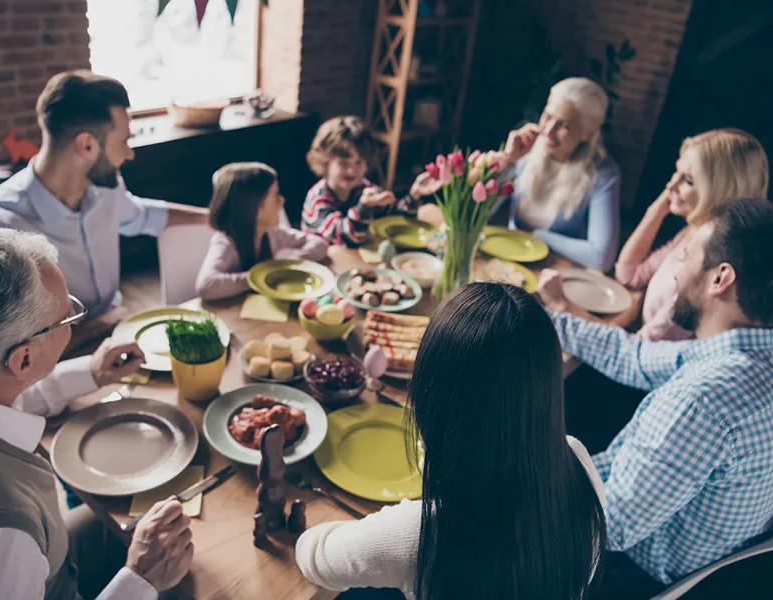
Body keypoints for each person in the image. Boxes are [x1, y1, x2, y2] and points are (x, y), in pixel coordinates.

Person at [0, 229, 194, 599]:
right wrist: (140, 579)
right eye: (66, 317)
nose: (74, 321)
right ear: (23, 358)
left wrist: (91, 372)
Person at [296, 283, 607, 599]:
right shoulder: (578, 459)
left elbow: (314, 557)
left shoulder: (421, 533)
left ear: (432, 395)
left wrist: (391, 519)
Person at [538, 197, 773, 597]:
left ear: (720, 279)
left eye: (686, 256)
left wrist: (519, 459)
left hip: (621, 574)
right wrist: (545, 317)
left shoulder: (706, 401)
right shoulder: (745, 354)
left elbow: (608, 525)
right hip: (675, 550)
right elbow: (636, 357)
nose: (676, 272)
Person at [0, 70, 207, 348]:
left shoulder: (105, 185)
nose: (129, 154)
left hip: (115, 330)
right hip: (50, 362)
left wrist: (215, 218)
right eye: (124, 142)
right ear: (87, 145)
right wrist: (94, 328)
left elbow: (139, 215)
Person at [541, 128, 769, 341]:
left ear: (721, 192)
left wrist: (564, 306)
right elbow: (629, 274)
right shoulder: (690, 235)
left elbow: (638, 352)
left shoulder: (706, 269)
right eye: (676, 172)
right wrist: (658, 209)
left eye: (688, 180)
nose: (672, 184)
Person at [501, 77, 621, 271]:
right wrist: (508, 161)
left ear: (588, 133)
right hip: (509, 261)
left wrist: (536, 234)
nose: (547, 132)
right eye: (547, 116)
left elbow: (601, 257)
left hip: (554, 272)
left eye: (564, 125)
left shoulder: (605, 173)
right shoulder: (526, 145)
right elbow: (475, 213)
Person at [301, 116, 442, 247]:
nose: (352, 171)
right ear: (325, 162)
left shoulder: (364, 187)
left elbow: (399, 217)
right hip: (323, 263)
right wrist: (365, 206)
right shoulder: (317, 200)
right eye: (344, 164)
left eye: (359, 162)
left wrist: (414, 194)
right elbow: (347, 237)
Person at [196, 162, 328, 300]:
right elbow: (205, 286)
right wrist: (261, 275)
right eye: (275, 195)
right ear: (256, 208)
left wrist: (293, 261)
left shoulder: (272, 233)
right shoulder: (226, 242)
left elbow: (319, 244)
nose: (282, 200)